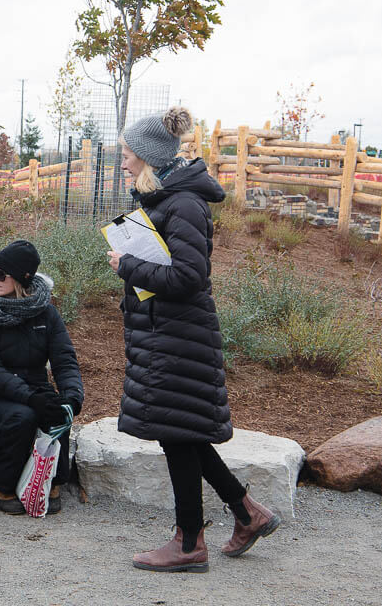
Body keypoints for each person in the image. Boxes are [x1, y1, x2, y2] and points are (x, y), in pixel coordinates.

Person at [108, 106, 280, 573]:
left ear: (148, 156)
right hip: (166, 335)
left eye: (127, 154)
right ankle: (247, 513)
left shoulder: (182, 204)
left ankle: (188, 544)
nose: (123, 162)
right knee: (179, 431)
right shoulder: (165, 199)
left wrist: (127, 265)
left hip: (177, 337)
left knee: (177, 434)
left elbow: (187, 276)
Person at [0, 240, 83, 515]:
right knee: (23, 417)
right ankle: (1, 485)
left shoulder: (47, 313)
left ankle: (53, 480)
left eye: (1, 274)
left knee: (57, 411)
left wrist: (72, 398)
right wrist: (30, 398)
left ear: (22, 279)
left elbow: (65, 360)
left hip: (35, 389)